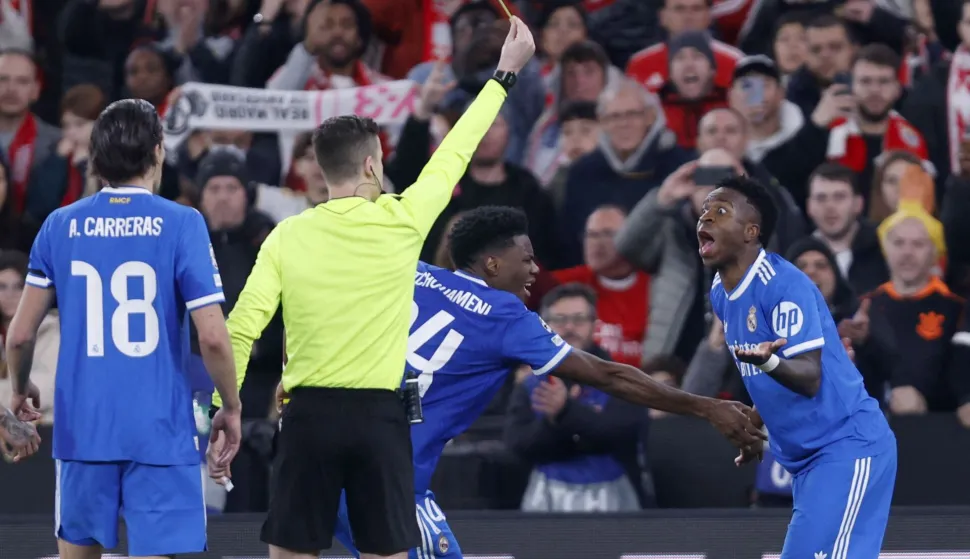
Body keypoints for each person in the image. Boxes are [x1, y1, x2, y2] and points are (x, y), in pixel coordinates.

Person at [239, 206, 766, 558]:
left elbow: (318, 306)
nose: (536, 269)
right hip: (388, 482)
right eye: (526, 257)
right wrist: (706, 407)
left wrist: (292, 379)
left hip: (320, 458)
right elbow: (607, 375)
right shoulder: (506, 317)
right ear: (492, 263)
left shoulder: (410, 274)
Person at [206, 16, 537, 559]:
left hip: (307, 418)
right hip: (382, 422)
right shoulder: (403, 221)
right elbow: (457, 148)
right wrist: (504, 74)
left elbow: (239, 329)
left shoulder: (286, 236)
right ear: (368, 164)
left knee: (291, 554)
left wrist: (229, 407)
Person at [5, 98, 243, 559]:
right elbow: (212, 336)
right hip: (160, 430)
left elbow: (18, 335)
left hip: (82, 430)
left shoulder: (60, 225)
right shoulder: (183, 223)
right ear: (159, 151)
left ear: (95, 158)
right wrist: (229, 405)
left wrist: (19, 386)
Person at [697, 175, 897, 558]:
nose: (705, 218)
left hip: (849, 447)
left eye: (720, 211)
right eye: (705, 210)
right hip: (807, 463)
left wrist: (770, 360)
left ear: (750, 232)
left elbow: (808, 376)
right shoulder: (721, 294)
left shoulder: (785, 285)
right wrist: (755, 423)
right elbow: (765, 377)